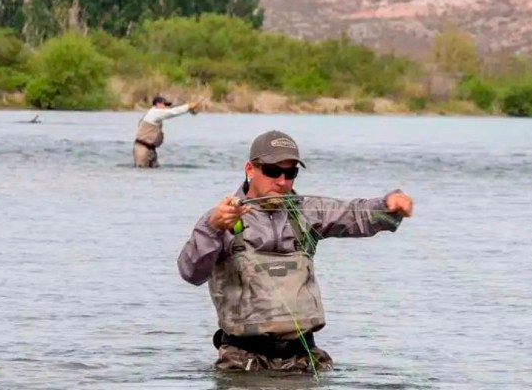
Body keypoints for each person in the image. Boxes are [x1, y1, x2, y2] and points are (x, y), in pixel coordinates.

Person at [176, 130, 413, 374]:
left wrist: (389, 205)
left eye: (291, 173)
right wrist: (212, 229)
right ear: (250, 169)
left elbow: (355, 214)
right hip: (243, 362)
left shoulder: (309, 211)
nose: (282, 181)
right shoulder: (221, 217)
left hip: (303, 360)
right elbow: (191, 272)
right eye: (272, 171)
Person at [133, 95, 201, 168]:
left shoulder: (155, 114)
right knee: (142, 171)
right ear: (157, 104)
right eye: (165, 105)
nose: (166, 107)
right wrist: (188, 107)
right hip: (142, 149)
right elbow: (173, 112)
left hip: (150, 149)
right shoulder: (155, 112)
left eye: (167, 105)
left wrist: (189, 109)